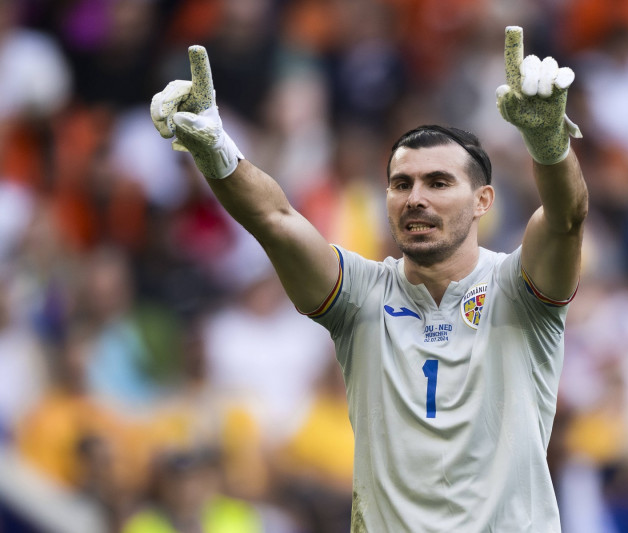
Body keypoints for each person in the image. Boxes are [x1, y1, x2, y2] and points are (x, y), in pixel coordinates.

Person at [150, 26, 587, 533]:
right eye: (401, 184)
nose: (415, 197)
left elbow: (566, 219)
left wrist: (550, 145)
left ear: (482, 201)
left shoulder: (519, 287)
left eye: (439, 182)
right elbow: (275, 220)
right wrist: (217, 152)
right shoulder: (360, 295)